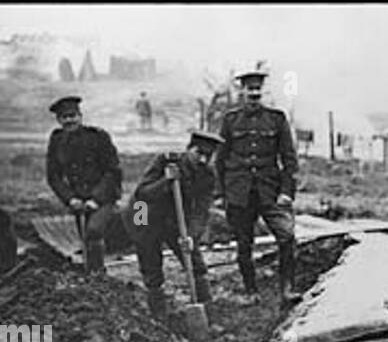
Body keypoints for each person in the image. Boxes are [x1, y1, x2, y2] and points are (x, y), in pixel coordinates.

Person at [214, 63, 300, 304]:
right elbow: (220, 160)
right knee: (244, 244)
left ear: (263, 93)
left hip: (269, 191)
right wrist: (221, 194)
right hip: (239, 192)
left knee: (286, 236)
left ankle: (286, 290)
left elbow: (289, 159)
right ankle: (251, 293)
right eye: (249, 91)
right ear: (242, 93)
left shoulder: (277, 118)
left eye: (257, 92)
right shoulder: (230, 120)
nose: (253, 96)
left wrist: (286, 192)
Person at [122, 131, 224, 321]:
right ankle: (159, 316)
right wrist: (166, 180)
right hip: (142, 213)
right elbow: (143, 193)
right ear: (188, 149)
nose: (202, 159)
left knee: (196, 264)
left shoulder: (207, 175)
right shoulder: (166, 161)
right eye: (198, 153)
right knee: (151, 263)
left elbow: (201, 211)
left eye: (207, 156)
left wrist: (192, 237)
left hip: (173, 218)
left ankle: (208, 314)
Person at [45, 96, 121, 274]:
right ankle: (91, 276)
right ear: (58, 120)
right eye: (64, 117)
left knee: (93, 232)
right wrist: (70, 199)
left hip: (104, 196)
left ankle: (98, 277)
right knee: (85, 240)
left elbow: (113, 171)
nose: (69, 120)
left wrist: (96, 199)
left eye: (73, 116)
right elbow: (53, 176)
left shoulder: (98, 137)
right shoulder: (57, 140)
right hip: (78, 199)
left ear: (80, 116)